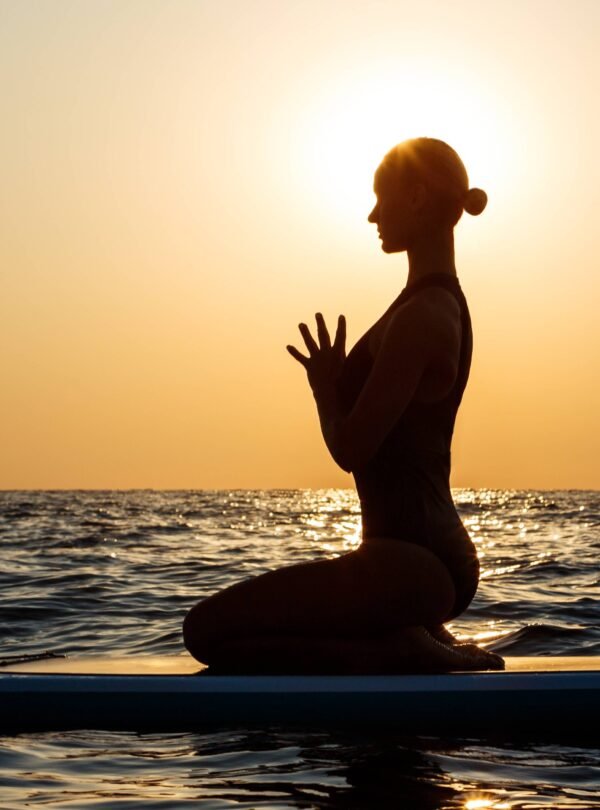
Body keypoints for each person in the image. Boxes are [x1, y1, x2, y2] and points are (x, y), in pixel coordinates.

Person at [182, 137, 505, 674]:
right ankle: (406, 635)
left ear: (418, 197)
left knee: (206, 632)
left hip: (414, 563)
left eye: (382, 198)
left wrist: (325, 388)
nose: (373, 214)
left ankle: (401, 648)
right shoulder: (428, 304)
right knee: (224, 637)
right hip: (411, 561)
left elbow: (353, 447)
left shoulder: (424, 316)